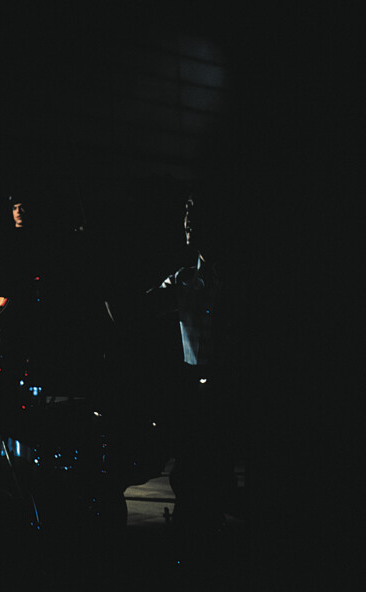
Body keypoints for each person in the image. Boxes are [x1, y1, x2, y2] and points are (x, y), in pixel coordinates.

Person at [147, 195, 242, 540]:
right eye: (187, 217)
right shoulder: (183, 279)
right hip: (196, 384)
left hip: (225, 385)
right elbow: (142, 307)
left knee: (212, 465)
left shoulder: (235, 280)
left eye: (195, 218)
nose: (188, 224)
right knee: (191, 465)